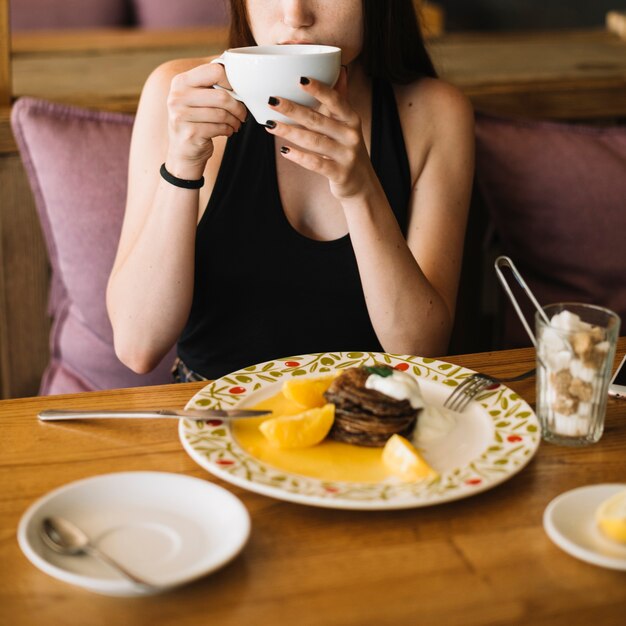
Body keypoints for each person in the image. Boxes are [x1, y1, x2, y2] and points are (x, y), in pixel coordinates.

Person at [106, 0, 475, 382]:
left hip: (367, 415)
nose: (295, 15)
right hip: (214, 418)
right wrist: (182, 164)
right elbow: (138, 346)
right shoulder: (181, 94)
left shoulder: (433, 112)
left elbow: (421, 350)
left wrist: (361, 191)